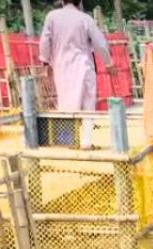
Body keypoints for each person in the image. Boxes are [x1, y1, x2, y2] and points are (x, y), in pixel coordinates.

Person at [39, 0, 112, 146]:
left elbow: (45, 41)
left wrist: (45, 61)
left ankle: (66, 141)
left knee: (66, 104)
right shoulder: (86, 19)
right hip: (84, 67)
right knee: (88, 105)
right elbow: (100, 43)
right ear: (80, 2)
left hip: (62, 68)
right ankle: (86, 143)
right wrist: (108, 63)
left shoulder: (52, 17)